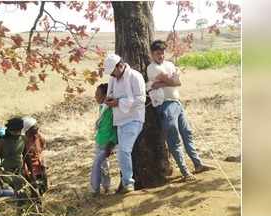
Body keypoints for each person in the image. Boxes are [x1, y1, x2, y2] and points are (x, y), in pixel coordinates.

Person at [147, 40, 216, 182]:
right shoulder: (152, 68)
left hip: (176, 102)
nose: (161, 56)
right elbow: (174, 81)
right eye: (157, 53)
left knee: (187, 133)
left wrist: (162, 83)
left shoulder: (169, 64)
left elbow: (178, 82)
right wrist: (171, 79)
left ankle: (198, 164)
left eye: (162, 53)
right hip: (165, 104)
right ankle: (185, 171)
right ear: (152, 54)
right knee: (174, 138)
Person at [103, 53, 146, 193]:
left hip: (133, 119)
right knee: (122, 152)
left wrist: (119, 102)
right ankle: (126, 182)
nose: (112, 75)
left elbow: (141, 99)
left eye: (113, 72)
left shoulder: (135, 76)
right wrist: (109, 101)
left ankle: (128, 183)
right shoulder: (113, 80)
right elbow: (111, 95)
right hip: (119, 121)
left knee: (123, 150)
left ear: (120, 66)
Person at [0, 117, 32, 216]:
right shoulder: (2, 142)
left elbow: (27, 156)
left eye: (19, 130)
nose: (17, 133)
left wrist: (31, 172)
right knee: (20, 191)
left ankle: (26, 214)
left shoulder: (23, 139)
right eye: (14, 131)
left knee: (28, 192)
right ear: (9, 130)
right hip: (7, 172)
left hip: (20, 170)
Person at [90, 83, 117, 196]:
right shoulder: (102, 107)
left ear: (105, 95)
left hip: (107, 142)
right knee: (102, 165)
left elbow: (115, 127)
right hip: (100, 140)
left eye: (98, 94)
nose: (95, 97)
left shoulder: (112, 110)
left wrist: (111, 143)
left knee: (99, 164)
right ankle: (105, 187)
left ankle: (97, 189)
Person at [22, 117, 48, 197]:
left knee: (44, 189)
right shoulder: (23, 141)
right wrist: (27, 172)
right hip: (31, 171)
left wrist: (43, 161)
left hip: (40, 167)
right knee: (34, 193)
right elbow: (23, 159)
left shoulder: (39, 137)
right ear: (28, 130)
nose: (37, 128)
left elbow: (42, 149)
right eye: (34, 127)